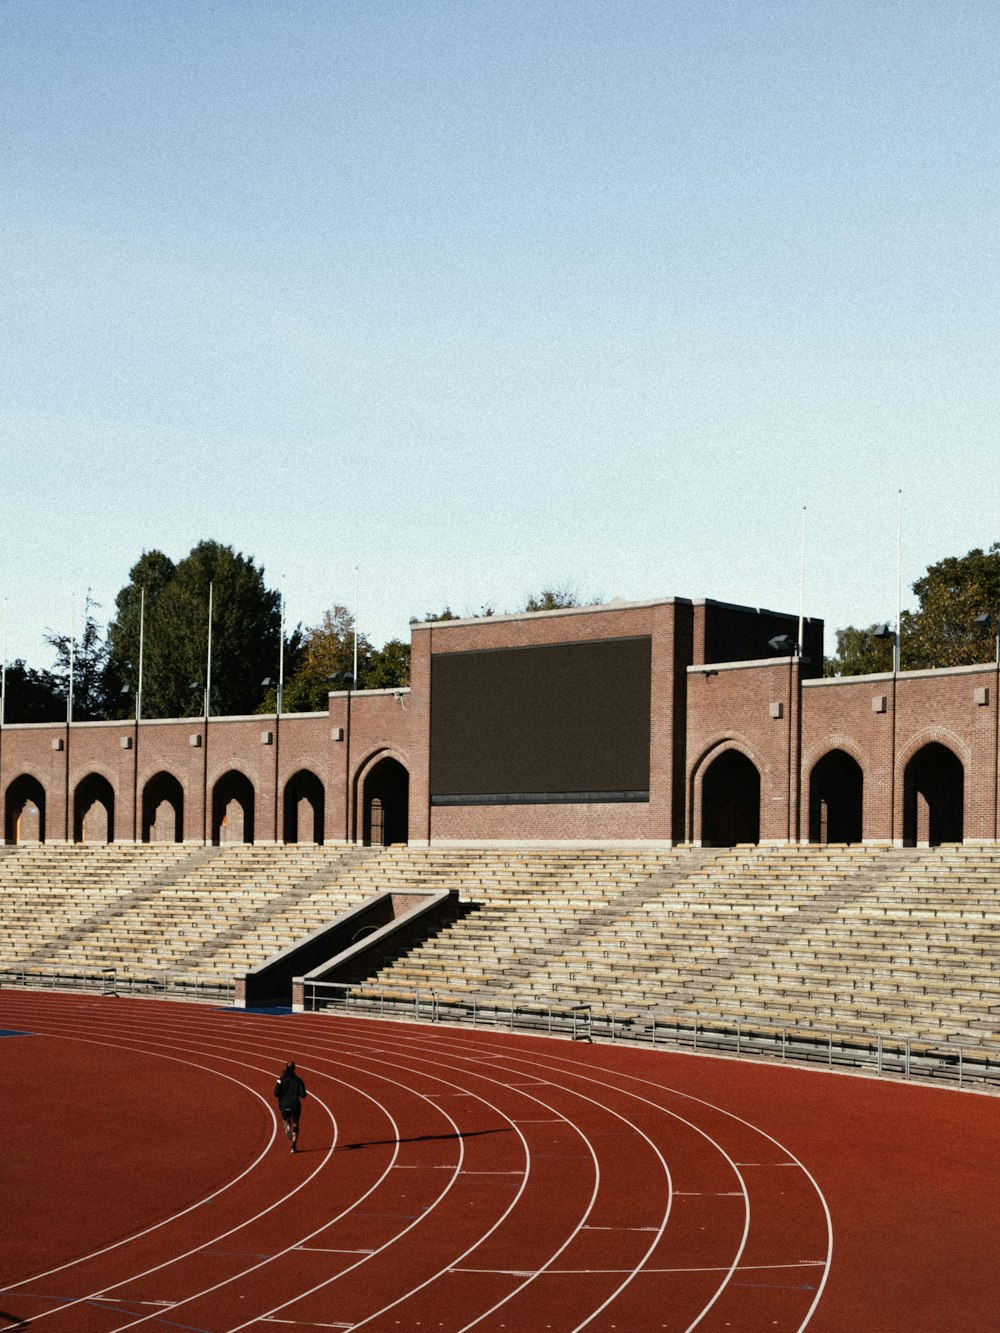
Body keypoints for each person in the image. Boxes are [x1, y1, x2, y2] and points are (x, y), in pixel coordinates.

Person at [274, 1061, 307, 1152]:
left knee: (285, 1118)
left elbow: (276, 1093)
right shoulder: (298, 1080)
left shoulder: (280, 1079)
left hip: (283, 1104)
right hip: (295, 1105)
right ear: (294, 1068)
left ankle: (287, 1125)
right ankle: (293, 1146)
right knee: (295, 1124)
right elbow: (303, 1095)